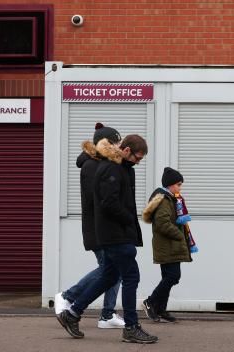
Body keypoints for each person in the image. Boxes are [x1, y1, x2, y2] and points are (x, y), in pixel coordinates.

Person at [56, 134, 158, 344]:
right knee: (131, 277)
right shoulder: (112, 168)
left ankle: (72, 313)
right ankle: (131, 327)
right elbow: (108, 203)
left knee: (109, 276)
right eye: (137, 158)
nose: (138, 163)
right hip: (116, 235)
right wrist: (128, 219)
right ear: (126, 150)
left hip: (114, 234)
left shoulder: (119, 167)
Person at [54, 123, 125, 329]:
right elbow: (99, 200)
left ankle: (107, 314)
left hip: (105, 227)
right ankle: (68, 296)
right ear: (106, 144)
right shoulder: (91, 167)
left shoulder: (101, 163)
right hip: (99, 229)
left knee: (114, 269)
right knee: (109, 269)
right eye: (116, 142)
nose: (119, 146)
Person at [141, 167, 194, 323]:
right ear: (170, 185)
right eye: (178, 184)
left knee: (169, 277)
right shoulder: (164, 200)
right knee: (173, 276)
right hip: (167, 245)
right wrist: (179, 236)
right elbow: (162, 224)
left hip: (171, 246)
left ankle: (160, 309)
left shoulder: (171, 199)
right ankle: (150, 302)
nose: (180, 187)